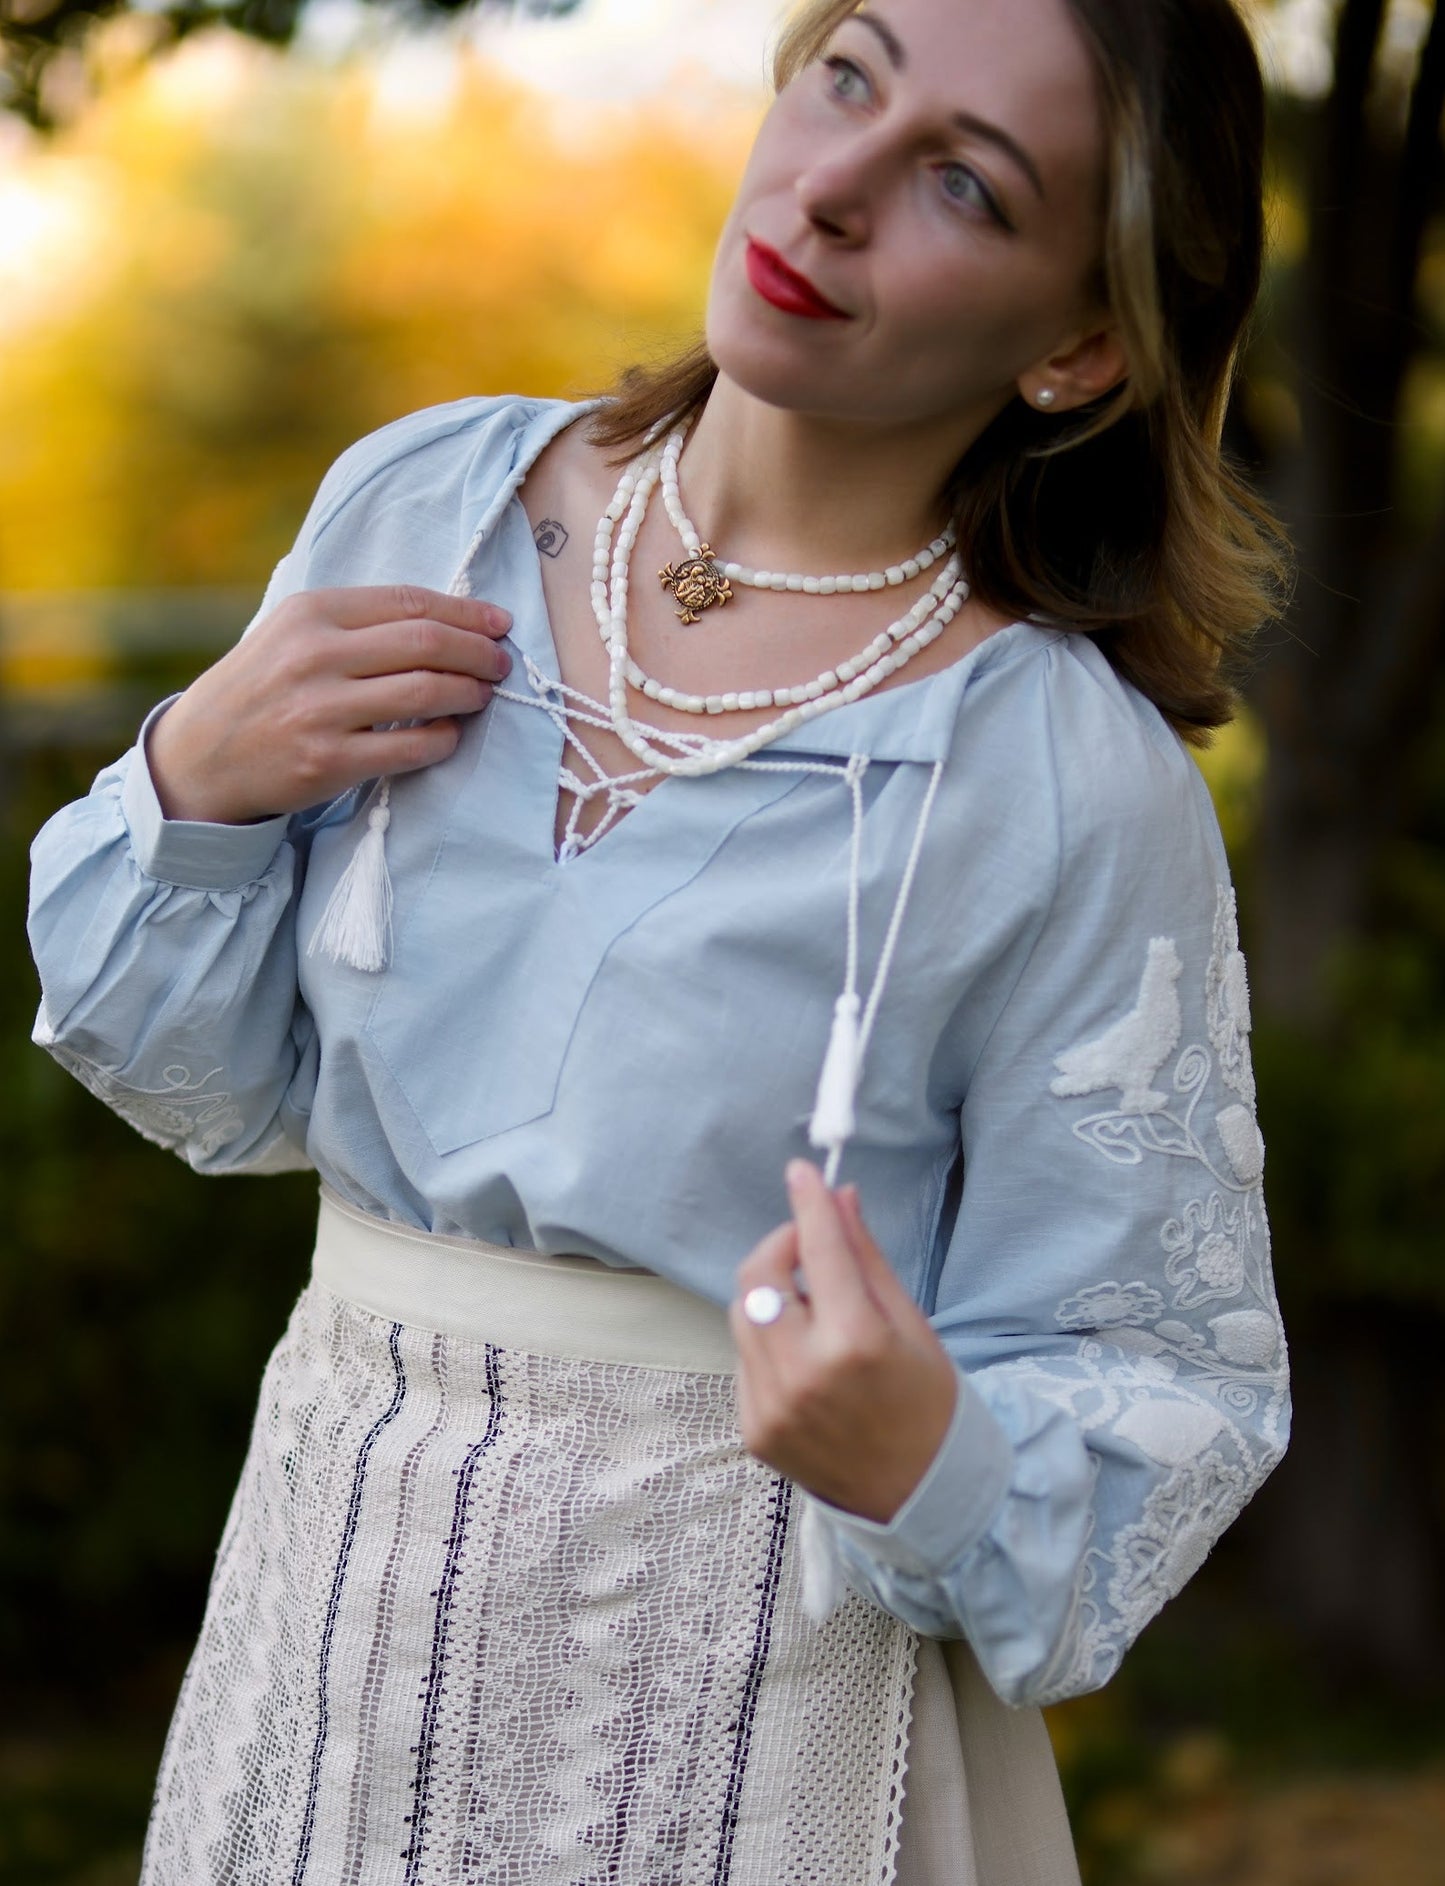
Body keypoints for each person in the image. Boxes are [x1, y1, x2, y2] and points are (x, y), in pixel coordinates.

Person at [27, 0, 1291, 1879]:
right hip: (330, 1621)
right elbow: (215, 1081)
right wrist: (192, 777)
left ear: (1078, 345)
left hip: (755, 1703)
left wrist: (928, 1454)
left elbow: (1163, 1383)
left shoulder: (1057, 778)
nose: (838, 184)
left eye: (963, 179)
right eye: (849, 74)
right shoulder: (422, 510)